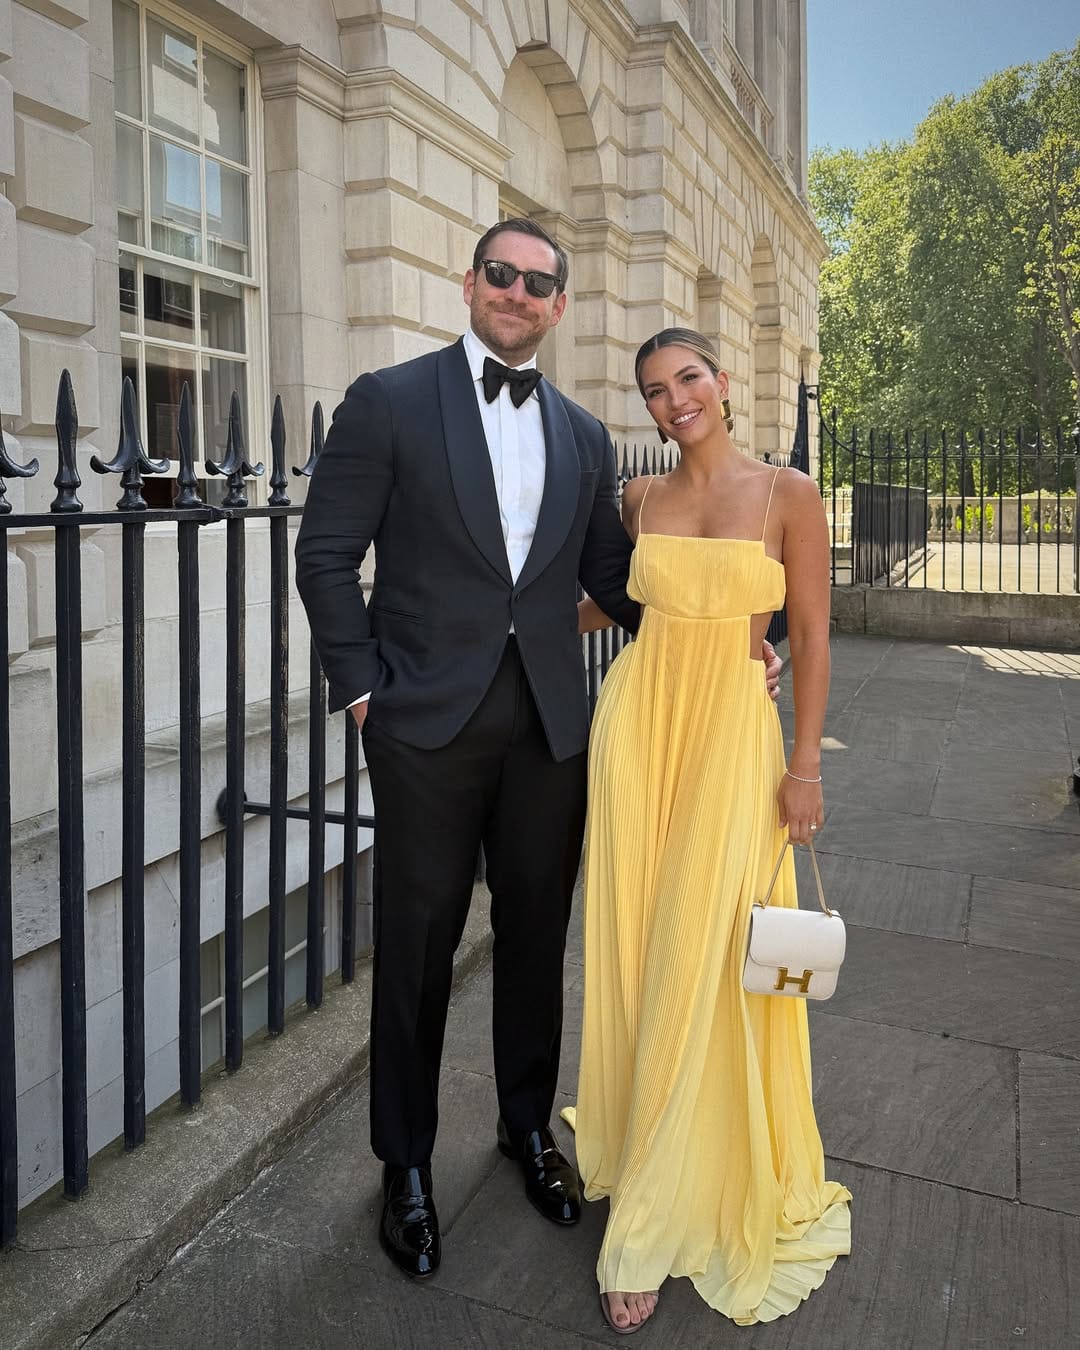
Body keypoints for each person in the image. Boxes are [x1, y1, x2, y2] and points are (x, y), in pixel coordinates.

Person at [294, 225, 780, 1282]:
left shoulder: (584, 435)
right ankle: (406, 1166)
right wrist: (364, 692)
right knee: (417, 946)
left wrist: (727, 642)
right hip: (422, 725)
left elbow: (613, 579)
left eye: (538, 283)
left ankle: (525, 1127)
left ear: (560, 306)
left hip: (554, 728)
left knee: (535, 936)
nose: (517, 292)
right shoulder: (389, 400)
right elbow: (325, 555)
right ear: (470, 282)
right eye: (501, 275)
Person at [570, 328, 851, 1333]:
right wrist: (496, 617)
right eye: (655, 389)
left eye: (688, 377)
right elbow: (625, 606)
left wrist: (804, 765)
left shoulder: (789, 495)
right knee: (639, 945)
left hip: (734, 742)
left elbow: (809, 632)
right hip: (638, 732)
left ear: (723, 383)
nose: (674, 398)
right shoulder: (639, 500)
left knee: (703, 948)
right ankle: (640, 1135)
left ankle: (646, 1224)